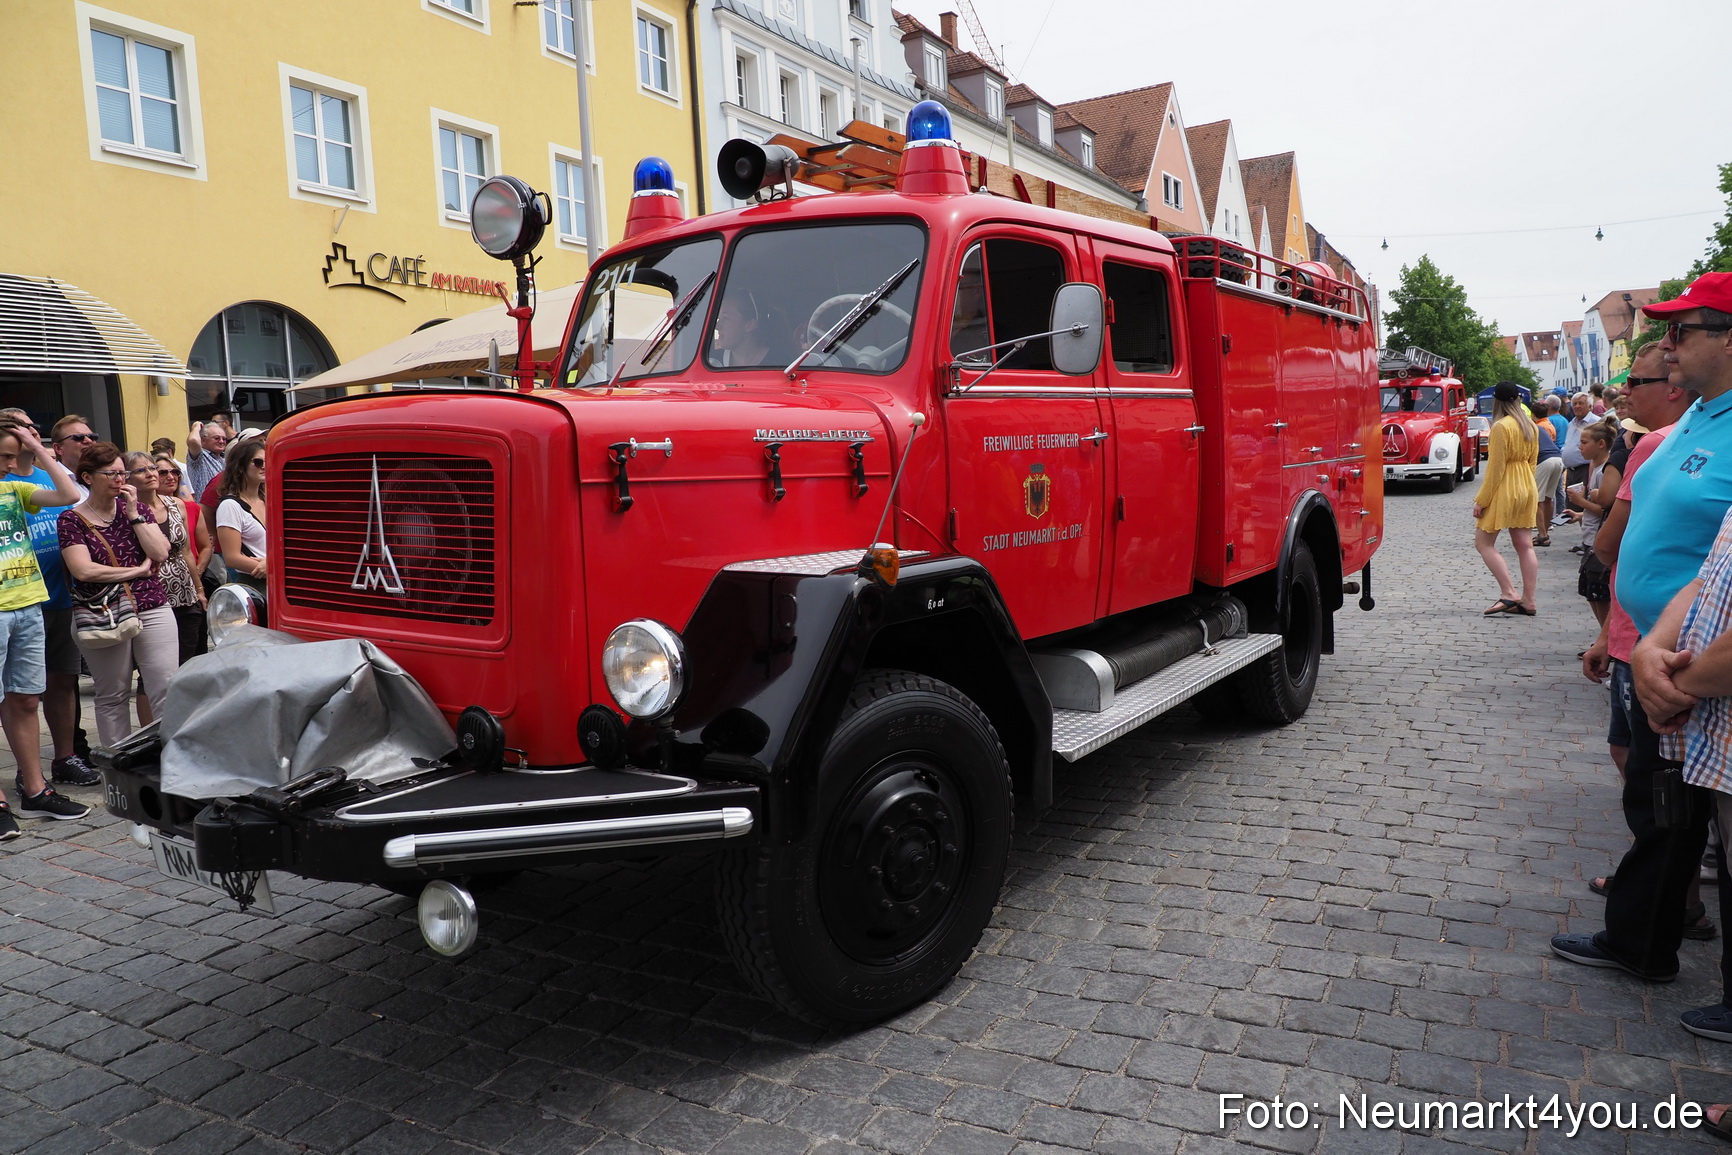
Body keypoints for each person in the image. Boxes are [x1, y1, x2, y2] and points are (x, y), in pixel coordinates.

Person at [1552, 271, 1732, 983]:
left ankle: (1642, 943)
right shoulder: (1694, 417)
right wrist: (1619, 635)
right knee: (1660, 807)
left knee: (1672, 814)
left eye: (1682, 331)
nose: (1665, 344)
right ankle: (1651, 932)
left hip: (1696, 663)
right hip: (1651, 649)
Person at [0, 409, 99, 787]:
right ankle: (28, 770)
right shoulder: (11, 484)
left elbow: (70, 494)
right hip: (17, 602)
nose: (30, 431)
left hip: (53, 597)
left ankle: (64, 757)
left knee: (59, 683)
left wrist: (39, 450)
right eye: (22, 425)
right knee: (19, 694)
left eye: (32, 427)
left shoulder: (35, 479)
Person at [58, 442, 176, 748]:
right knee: (113, 693)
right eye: (110, 473)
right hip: (103, 613)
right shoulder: (72, 520)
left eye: (122, 472)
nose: (119, 479)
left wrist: (136, 514)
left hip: (151, 605)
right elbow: (83, 570)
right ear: (88, 477)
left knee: (165, 687)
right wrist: (135, 572)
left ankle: (170, 760)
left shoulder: (137, 510)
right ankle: (118, 765)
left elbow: (161, 551)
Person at [131, 452, 207, 664]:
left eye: (152, 468)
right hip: (150, 597)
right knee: (158, 667)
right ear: (127, 478)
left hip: (184, 593)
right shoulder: (126, 510)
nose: (150, 474)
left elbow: (186, 552)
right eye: (140, 470)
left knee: (188, 661)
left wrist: (199, 590)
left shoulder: (176, 504)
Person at [1472, 382, 1540, 615]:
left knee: (1483, 543)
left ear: (1497, 402)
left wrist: (1482, 500)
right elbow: (1532, 462)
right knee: (1525, 545)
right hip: (1527, 485)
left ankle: (1508, 592)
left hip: (1506, 486)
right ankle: (1528, 600)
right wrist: (1526, 486)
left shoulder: (1501, 427)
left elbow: (1495, 469)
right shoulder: (1530, 425)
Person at [1567, 422, 1618, 625]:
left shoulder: (1605, 471)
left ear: (1601, 444)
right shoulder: (1595, 467)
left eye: (1584, 442)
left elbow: (1606, 511)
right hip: (1590, 537)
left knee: (1599, 593)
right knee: (1591, 592)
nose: (1580, 446)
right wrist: (1580, 514)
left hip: (1598, 539)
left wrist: (1581, 502)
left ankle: (1606, 641)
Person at [214, 436, 268, 588]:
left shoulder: (269, 500)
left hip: (281, 577)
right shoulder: (230, 506)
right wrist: (272, 567)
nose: (264, 466)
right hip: (256, 582)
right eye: (258, 462)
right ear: (240, 466)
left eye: (268, 461)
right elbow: (232, 558)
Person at [1531, 402, 1564, 549]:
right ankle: (1546, 529)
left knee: (1537, 500)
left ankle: (1542, 535)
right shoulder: (1541, 426)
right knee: (1548, 498)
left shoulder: (1530, 428)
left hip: (1544, 461)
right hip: (1558, 459)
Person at [184, 420, 229, 499]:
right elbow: (193, 440)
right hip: (205, 509)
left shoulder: (224, 460)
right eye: (216, 438)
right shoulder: (200, 457)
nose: (221, 441)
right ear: (203, 440)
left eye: (224, 439)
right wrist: (196, 426)